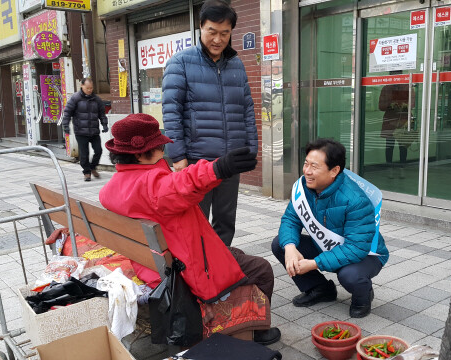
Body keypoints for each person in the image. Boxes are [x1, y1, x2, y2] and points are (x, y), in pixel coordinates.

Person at [99, 114, 280, 345]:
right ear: (139, 153)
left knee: (237, 254)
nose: (163, 149)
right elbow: (183, 184)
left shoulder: (113, 188)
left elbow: (174, 185)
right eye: (158, 146)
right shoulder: (152, 186)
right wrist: (219, 168)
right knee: (262, 269)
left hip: (153, 265)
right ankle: (257, 330)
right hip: (186, 269)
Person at [162, 0, 257, 246]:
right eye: (212, 31)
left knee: (226, 221)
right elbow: (171, 111)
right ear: (201, 27)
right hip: (196, 161)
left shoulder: (236, 64)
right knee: (196, 220)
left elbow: (246, 107)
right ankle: (196, 273)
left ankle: (220, 268)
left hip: (229, 159)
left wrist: (250, 149)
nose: (218, 39)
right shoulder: (180, 62)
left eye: (225, 33)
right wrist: (177, 155)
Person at [271, 139, 389, 318]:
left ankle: (363, 295)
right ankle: (320, 289)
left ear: (334, 170)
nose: (307, 171)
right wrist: (290, 247)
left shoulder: (356, 200)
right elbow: (290, 219)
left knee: (349, 275)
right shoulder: (303, 186)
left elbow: (356, 248)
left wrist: (313, 264)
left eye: (314, 167)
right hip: (326, 245)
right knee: (280, 243)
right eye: (306, 164)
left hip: (366, 254)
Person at [62, 78, 108, 182]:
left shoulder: (96, 99)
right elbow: (67, 113)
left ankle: (93, 167)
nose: (89, 90)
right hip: (80, 131)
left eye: (91, 88)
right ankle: (87, 172)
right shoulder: (75, 98)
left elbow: (102, 113)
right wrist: (66, 126)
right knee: (84, 153)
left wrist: (104, 124)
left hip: (94, 131)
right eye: (87, 88)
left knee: (98, 151)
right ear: (82, 86)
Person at [379, 72, 413, 179]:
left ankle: (402, 168)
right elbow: (381, 105)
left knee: (403, 146)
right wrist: (390, 104)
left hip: (403, 120)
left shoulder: (408, 87)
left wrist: (405, 105)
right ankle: (390, 169)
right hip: (390, 120)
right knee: (389, 146)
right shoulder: (386, 88)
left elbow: (413, 104)